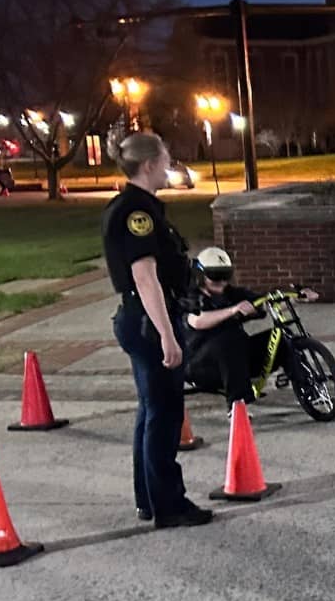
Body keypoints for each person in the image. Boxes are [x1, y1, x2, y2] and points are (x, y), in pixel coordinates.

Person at [104, 132, 211, 528]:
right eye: (166, 159)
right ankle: (169, 505)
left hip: (141, 319)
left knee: (151, 412)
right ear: (148, 165)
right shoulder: (138, 213)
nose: (169, 166)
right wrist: (167, 334)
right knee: (164, 416)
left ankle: (149, 499)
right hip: (150, 321)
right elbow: (145, 276)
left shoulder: (138, 207)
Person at [182, 248, 267, 405]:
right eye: (215, 276)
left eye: (225, 275)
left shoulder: (232, 293)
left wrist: (296, 295)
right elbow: (197, 320)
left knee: (282, 336)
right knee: (230, 337)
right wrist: (233, 310)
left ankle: (308, 386)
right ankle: (236, 404)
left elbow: (264, 300)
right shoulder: (191, 296)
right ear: (201, 275)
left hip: (235, 360)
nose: (221, 281)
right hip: (200, 365)